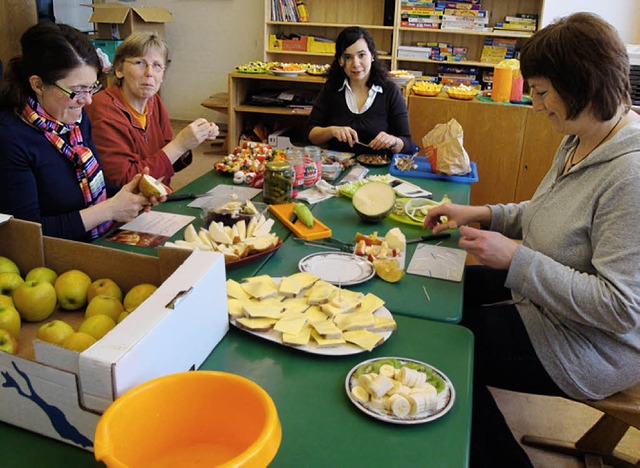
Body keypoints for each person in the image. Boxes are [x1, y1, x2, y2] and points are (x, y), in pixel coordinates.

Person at [423, 13, 640, 466]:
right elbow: (543, 215)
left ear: (582, 85)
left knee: (444, 353)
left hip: (589, 345)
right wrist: (481, 213)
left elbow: (620, 309)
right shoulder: (580, 135)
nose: (536, 106)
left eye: (541, 92)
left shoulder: (630, 176)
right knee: (437, 295)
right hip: (543, 298)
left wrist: (518, 259)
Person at [0, 23, 160, 242]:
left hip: (92, 241)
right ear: (37, 84)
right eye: (77, 91)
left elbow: (87, 189)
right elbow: (25, 232)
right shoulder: (11, 138)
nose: (88, 100)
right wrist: (109, 210)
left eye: (92, 87)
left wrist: (131, 194)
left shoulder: (75, 122)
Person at [86, 32, 219, 188]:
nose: (149, 73)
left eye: (157, 65)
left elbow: (168, 162)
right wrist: (180, 144)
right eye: (140, 63)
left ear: (162, 75)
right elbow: (126, 182)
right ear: (119, 70)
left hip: (155, 198)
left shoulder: (153, 101)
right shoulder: (104, 110)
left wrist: (190, 141)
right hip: (125, 207)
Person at [307, 26, 417, 155]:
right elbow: (310, 133)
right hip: (338, 167)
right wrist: (331, 131)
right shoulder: (332, 88)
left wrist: (393, 141)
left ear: (372, 55)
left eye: (361, 55)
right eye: (348, 57)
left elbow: (407, 144)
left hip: (379, 172)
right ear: (340, 61)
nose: (356, 63)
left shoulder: (390, 91)